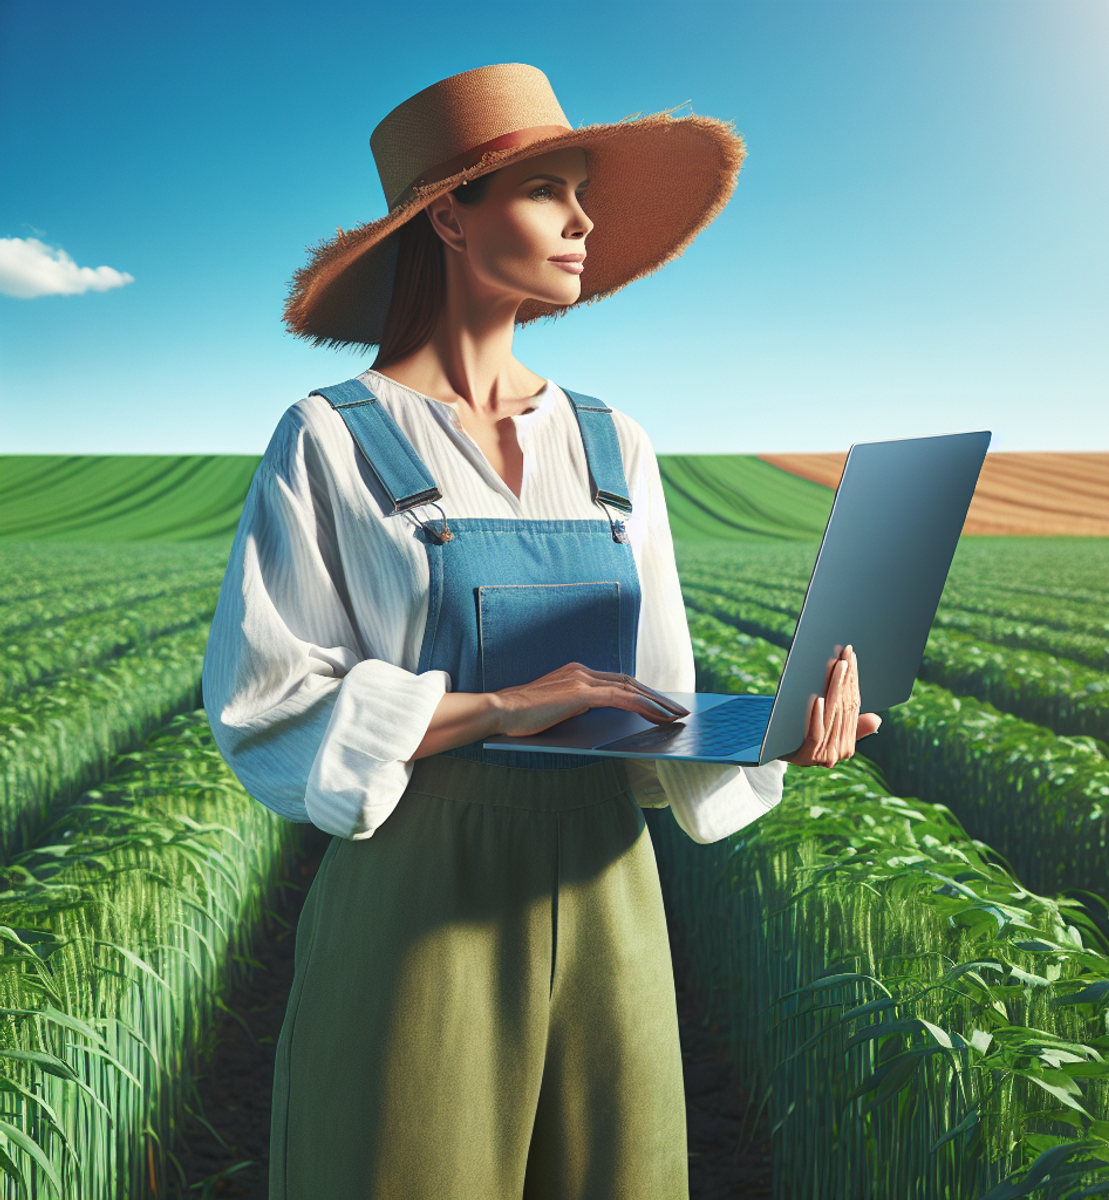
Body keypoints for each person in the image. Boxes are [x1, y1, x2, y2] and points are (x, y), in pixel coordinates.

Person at [202, 63, 881, 1200]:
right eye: (545, 190)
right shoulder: (329, 440)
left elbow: (654, 692)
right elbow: (268, 707)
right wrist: (506, 707)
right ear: (451, 217)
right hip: (422, 901)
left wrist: (771, 734)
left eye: (582, 191)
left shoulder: (616, 444)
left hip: (613, 891)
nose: (584, 221)